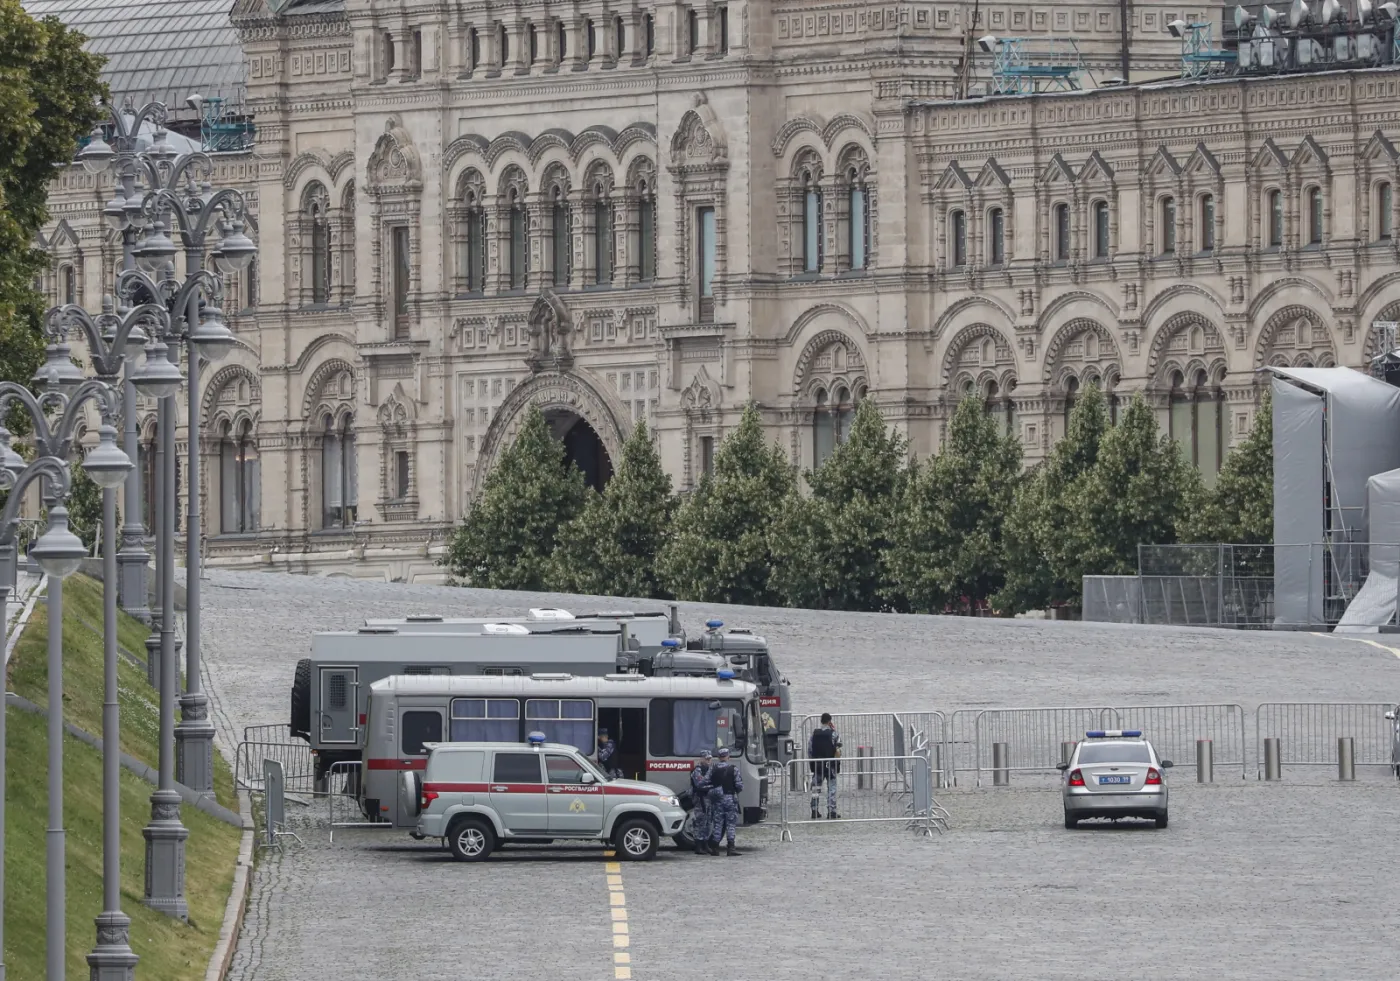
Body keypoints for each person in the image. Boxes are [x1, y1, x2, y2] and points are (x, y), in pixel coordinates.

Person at [707, 746, 743, 856]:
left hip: (718, 800)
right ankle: (731, 848)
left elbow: (706, 781)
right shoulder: (733, 769)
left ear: (718, 757)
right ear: (728, 756)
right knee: (730, 824)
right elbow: (739, 786)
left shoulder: (713, 768)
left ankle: (715, 848)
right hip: (730, 799)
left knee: (718, 824)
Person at [807, 713, 842, 819]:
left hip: (818, 765)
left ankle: (814, 810)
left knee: (815, 788)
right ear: (829, 721)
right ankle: (831, 811)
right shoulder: (834, 733)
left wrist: (812, 762)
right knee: (831, 788)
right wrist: (837, 763)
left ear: (821, 721)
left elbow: (810, 750)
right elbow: (838, 749)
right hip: (830, 765)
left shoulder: (814, 734)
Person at [688, 750, 713, 855]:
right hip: (700, 799)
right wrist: (712, 786)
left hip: (708, 799)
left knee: (708, 822)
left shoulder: (709, 769)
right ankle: (698, 846)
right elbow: (700, 785)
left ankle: (705, 844)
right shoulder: (697, 771)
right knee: (700, 822)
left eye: (710, 758)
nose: (709, 760)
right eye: (706, 758)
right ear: (701, 759)